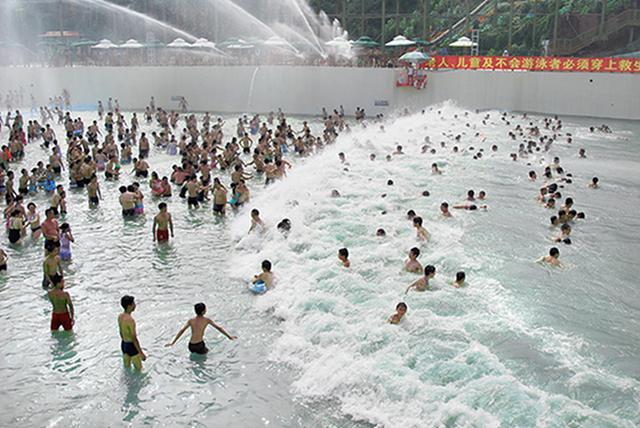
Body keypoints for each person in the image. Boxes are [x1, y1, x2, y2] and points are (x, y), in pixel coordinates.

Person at [165, 303, 236, 355]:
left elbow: (182, 330)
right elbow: (219, 328)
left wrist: (173, 342)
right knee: (207, 355)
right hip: (199, 345)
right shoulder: (207, 320)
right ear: (203, 311)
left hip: (191, 346)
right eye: (205, 309)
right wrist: (229, 337)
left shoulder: (191, 320)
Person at [118, 295, 146, 370]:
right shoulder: (131, 320)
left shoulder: (120, 316)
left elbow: (120, 332)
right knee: (139, 370)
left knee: (127, 368)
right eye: (133, 303)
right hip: (131, 346)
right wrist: (141, 353)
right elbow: (134, 338)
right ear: (129, 306)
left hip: (124, 344)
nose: (135, 305)